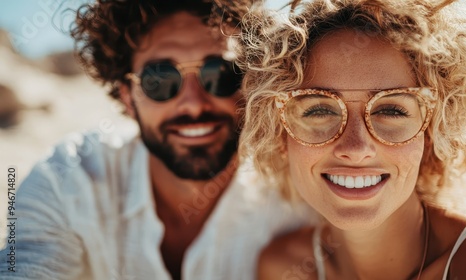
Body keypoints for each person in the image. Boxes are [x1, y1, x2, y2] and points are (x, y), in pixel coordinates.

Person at [0, 1, 314, 279]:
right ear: (127, 97)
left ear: (249, 82)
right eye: (160, 79)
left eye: (220, 72)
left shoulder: (302, 197)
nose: (193, 103)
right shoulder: (67, 180)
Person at [236, 0, 466, 279]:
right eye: (319, 110)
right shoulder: (282, 268)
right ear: (280, 134)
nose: (356, 148)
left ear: (431, 132)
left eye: (391, 110)